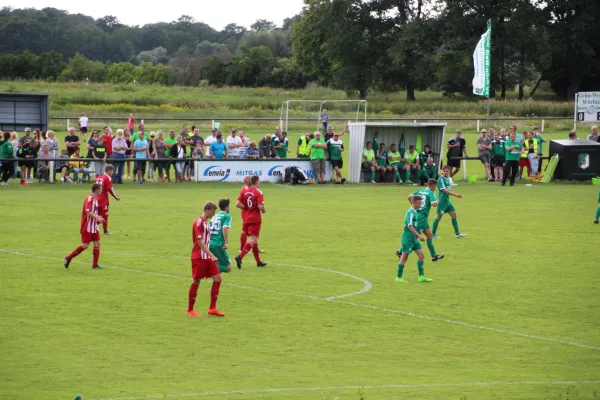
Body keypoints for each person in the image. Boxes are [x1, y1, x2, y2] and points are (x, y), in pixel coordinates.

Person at [187, 201, 226, 317]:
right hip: (199, 257)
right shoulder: (198, 222)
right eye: (213, 212)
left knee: (218, 278)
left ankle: (212, 308)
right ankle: (190, 310)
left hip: (207, 257)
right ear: (207, 210)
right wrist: (212, 255)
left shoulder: (206, 223)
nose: (213, 215)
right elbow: (199, 242)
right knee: (196, 281)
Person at [63, 183, 105, 270]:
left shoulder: (96, 200)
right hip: (87, 226)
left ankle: (95, 265)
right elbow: (88, 212)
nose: (102, 191)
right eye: (100, 189)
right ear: (97, 190)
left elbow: (93, 213)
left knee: (97, 243)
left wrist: (98, 219)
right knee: (85, 245)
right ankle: (69, 257)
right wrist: (97, 217)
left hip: (93, 226)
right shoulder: (89, 199)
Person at [395, 195, 432, 283]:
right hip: (408, 238)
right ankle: (398, 277)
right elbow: (410, 226)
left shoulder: (415, 211)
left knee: (421, 255)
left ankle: (421, 277)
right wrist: (419, 236)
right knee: (404, 257)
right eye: (419, 203)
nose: (420, 205)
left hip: (413, 239)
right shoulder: (410, 212)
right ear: (415, 203)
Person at [408, 179, 445, 262]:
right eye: (435, 186)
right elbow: (433, 204)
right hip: (422, 217)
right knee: (416, 237)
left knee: (429, 235)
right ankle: (401, 251)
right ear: (432, 185)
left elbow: (409, 197)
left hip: (419, 215)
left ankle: (434, 256)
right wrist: (437, 201)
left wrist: (414, 206)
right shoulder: (430, 193)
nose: (435, 188)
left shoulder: (421, 191)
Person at [235, 175, 267, 268]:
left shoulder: (244, 191)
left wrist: (246, 208)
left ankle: (258, 262)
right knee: (253, 240)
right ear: (257, 182)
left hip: (246, 217)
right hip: (255, 219)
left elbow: (237, 204)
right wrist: (264, 210)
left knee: (255, 241)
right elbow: (260, 207)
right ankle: (240, 257)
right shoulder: (258, 192)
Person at [432, 165, 466, 239]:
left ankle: (457, 233)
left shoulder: (448, 178)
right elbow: (445, 190)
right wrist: (456, 195)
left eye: (446, 171)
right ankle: (432, 234)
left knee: (454, 215)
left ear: (449, 171)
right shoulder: (441, 179)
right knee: (438, 217)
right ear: (442, 171)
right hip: (442, 202)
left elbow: (448, 188)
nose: (445, 172)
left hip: (447, 201)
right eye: (444, 171)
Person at [95, 165, 120, 235]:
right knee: (103, 216)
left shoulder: (99, 177)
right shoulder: (107, 178)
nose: (112, 173)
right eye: (112, 171)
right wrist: (116, 197)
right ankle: (91, 226)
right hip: (103, 201)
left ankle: (105, 231)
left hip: (96, 199)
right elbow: (110, 189)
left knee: (100, 215)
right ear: (109, 171)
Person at [210, 199, 233, 273]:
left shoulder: (214, 216)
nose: (229, 207)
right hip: (219, 245)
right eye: (229, 206)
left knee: (217, 267)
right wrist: (226, 242)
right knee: (228, 267)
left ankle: (215, 280)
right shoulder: (227, 216)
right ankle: (209, 268)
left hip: (210, 243)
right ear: (226, 207)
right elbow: (224, 228)